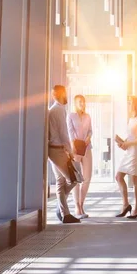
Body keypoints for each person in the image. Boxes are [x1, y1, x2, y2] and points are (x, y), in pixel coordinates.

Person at [48, 85, 80, 224]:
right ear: (62, 94)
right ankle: (61, 209)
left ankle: (63, 212)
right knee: (75, 178)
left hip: (52, 150)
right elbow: (63, 133)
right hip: (58, 150)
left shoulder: (52, 109)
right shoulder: (59, 110)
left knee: (61, 182)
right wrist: (71, 152)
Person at [115, 96, 137, 219]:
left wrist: (128, 143)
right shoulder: (131, 119)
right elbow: (131, 137)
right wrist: (123, 143)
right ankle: (125, 205)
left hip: (136, 152)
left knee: (135, 180)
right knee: (118, 176)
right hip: (129, 151)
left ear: (136, 105)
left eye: (130, 103)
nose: (129, 105)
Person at [67, 95, 93, 219]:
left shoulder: (88, 116)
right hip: (76, 149)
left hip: (87, 148)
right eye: (80, 102)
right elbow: (70, 132)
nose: (82, 103)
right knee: (77, 178)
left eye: (83, 102)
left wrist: (88, 138)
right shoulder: (71, 116)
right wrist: (74, 146)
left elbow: (90, 131)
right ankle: (77, 207)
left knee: (87, 177)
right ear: (75, 103)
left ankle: (82, 203)